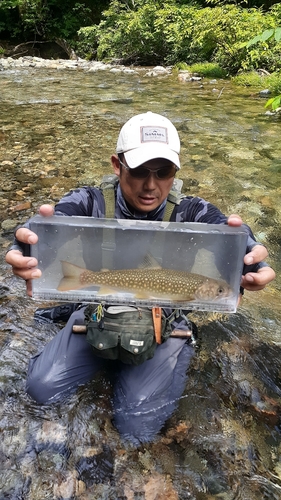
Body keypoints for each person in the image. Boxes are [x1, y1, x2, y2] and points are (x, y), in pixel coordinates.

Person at [5, 111, 275, 444]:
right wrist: (25, 243)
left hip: (166, 321)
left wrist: (250, 261)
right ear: (117, 165)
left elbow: (230, 234)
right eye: (139, 172)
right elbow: (49, 223)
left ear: (175, 172)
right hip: (99, 312)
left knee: (135, 428)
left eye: (163, 173)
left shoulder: (192, 211)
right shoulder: (89, 202)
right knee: (41, 390)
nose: (151, 185)